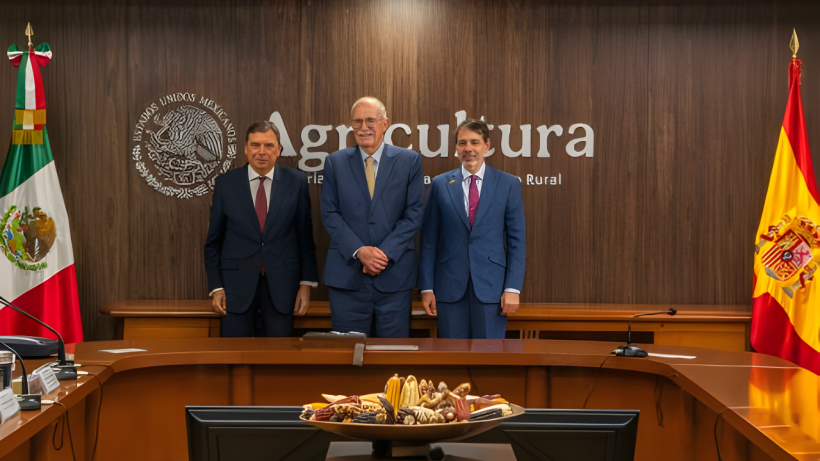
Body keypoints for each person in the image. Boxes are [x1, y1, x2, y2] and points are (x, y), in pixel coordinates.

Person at [321, 97, 424, 338]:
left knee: (392, 354)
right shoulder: (335, 162)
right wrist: (359, 251)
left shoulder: (410, 161)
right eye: (357, 121)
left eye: (370, 120)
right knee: (349, 355)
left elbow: (414, 214)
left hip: (394, 279)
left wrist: (382, 255)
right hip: (347, 279)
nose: (363, 127)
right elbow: (330, 214)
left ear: (385, 124)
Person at [204, 121, 318, 337]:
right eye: (255, 145)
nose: (262, 152)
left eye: (269, 145)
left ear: (279, 149)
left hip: (283, 285)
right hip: (235, 287)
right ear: (246, 149)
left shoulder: (297, 181)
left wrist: (306, 284)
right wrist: (216, 287)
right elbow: (213, 241)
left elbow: (305, 237)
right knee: (236, 352)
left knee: (278, 353)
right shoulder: (226, 183)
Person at [418, 119, 526, 339]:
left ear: (486, 145)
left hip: (492, 288)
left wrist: (513, 288)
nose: (468, 148)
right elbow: (429, 240)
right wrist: (426, 287)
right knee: (451, 355)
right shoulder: (440, 184)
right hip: (448, 288)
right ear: (456, 148)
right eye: (462, 143)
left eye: (474, 142)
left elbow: (517, 240)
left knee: (489, 355)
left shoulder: (508, 184)